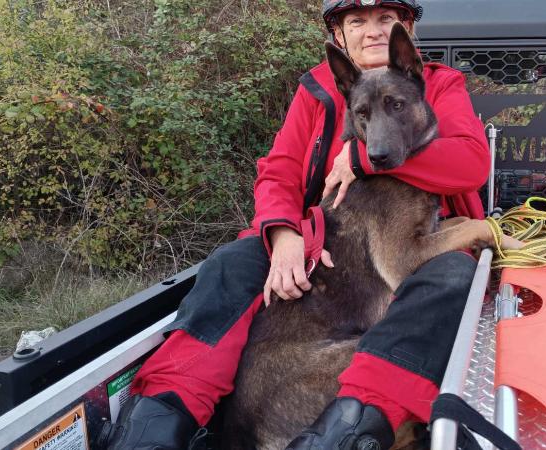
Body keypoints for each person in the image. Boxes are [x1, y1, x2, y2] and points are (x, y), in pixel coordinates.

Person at [100, 1, 490, 448]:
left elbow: (471, 162)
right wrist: (284, 235)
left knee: (449, 277)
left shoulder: (437, 82)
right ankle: (157, 419)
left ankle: (357, 425)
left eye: (386, 19)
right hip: (320, 239)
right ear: (340, 36)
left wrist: (363, 157)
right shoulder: (319, 90)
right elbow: (279, 171)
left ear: (407, 28)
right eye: (357, 22)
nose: (373, 31)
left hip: (410, 236)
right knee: (231, 264)